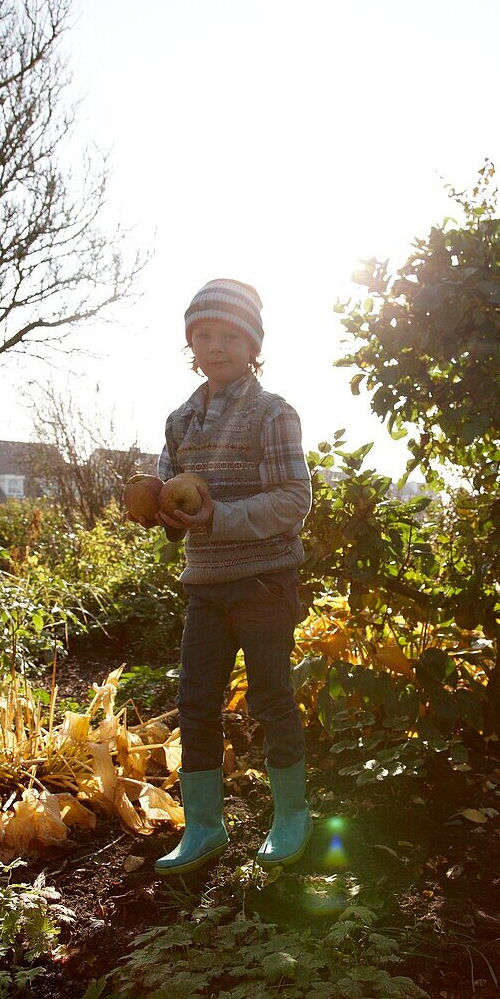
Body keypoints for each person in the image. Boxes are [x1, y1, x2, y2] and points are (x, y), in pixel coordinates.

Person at [131, 278, 313, 875]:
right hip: (205, 585)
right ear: (191, 344)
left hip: (264, 582)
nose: (215, 345)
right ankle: (205, 826)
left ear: (253, 343)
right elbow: (173, 507)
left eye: (229, 335)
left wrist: (220, 516)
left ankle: (291, 815)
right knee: (194, 702)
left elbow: (294, 500)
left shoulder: (273, 413)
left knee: (269, 698)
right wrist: (158, 508)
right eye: (203, 335)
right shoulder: (180, 421)